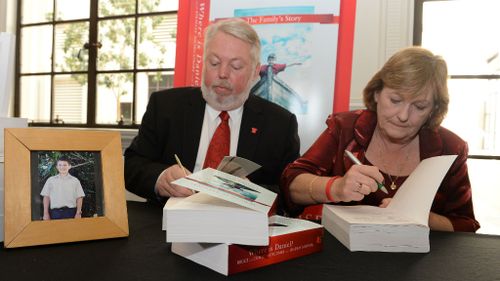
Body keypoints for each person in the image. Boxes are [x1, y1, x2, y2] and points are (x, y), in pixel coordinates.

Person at [281, 46, 480, 232]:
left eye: (419, 107)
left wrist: (421, 218)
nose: (403, 115)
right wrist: (336, 187)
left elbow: (466, 225)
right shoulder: (345, 128)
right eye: (395, 100)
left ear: (433, 110)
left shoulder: (450, 148)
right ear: (377, 93)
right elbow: (291, 184)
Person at [124, 18, 300, 204]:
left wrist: (252, 193)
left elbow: (290, 191)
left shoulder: (280, 124)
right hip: (168, 224)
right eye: (214, 63)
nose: (223, 73)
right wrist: (161, 178)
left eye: (236, 66)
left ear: (255, 72)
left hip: (241, 227)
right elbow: (132, 165)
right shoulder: (166, 106)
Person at [40, 156, 85, 220]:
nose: (62, 167)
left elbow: (79, 197)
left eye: (64, 165)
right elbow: (46, 197)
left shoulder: (75, 181)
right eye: (60, 165)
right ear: (57, 167)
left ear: (69, 166)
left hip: (71, 212)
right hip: (54, 213)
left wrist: (78, 213)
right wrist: (45, 213)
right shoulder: (51, 180)